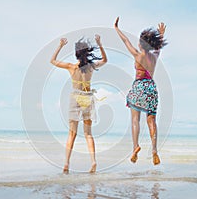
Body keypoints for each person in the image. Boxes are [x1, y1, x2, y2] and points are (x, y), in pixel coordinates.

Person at [50, 35, 107, 174]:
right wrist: (100, 44)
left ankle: (66, 164)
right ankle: (93, 161)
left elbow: (52, 61)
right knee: (88, 134)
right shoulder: (91, 67)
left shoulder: (71, 67)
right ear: (87, 53)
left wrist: (60, 46)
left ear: (76, 54)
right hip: (87, 98)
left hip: (75, 97)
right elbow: (105, 60)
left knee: (72, 134)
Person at [114, 17, 167, 165]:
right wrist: (161, 35)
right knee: (151, 120)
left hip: (139, 87)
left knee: (135, 119)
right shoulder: (155, 56)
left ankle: (135, 147)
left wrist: (117, 28)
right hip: (151, 88)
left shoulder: (138, 55)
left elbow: (125, 41)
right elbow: (158, 47)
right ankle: (155, 150)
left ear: (141, 44)